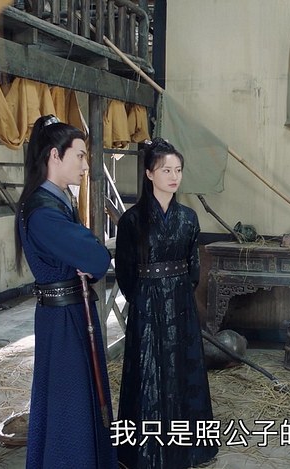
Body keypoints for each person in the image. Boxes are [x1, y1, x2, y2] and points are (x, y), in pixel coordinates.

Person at [15, 115, 116, 469]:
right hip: (63, 321)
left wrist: (88, 251)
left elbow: (90, 254)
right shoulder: (43, 213)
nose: (86, 166)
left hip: (71, 312)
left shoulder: (57, 203)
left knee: (80, 399)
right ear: (55, 156)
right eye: (80, 156)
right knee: (68, 405)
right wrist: (90, 252)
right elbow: (97, 257)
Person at [115, 138, 218, 469]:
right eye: (165, 170)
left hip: (182, 302)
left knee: (182, 370)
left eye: (178, 170)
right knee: (148, 370)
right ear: (149, 173)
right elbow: (125, 271)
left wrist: (180, 294)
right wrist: (142, 299)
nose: (174, 177)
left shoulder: (188, 218)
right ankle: (145, 452)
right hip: (146, 303)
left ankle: (189, 450)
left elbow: (193, 267)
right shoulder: (132, 220)